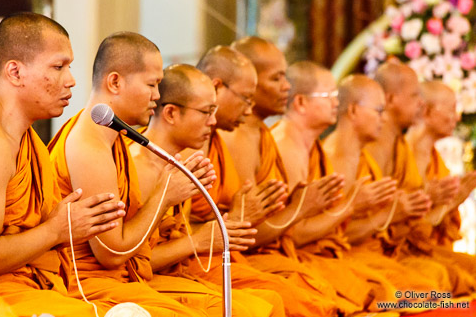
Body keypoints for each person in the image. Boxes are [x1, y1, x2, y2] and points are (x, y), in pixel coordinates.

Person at [0, 12, 125, 317]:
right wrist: (57, 229)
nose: (71, 80)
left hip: (28, 285)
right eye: (58, 67)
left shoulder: (27, 140)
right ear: (15, 72)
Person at [48, 31, 218, 316]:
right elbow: (110, 253)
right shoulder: (89, 147)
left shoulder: (113, 141)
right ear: (115, 82)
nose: (158, 96)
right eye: (152, 84)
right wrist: (165, 195)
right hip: (90, 287)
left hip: (124, 281)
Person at [190, 45, 339, 316]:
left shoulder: (225, 138)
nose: (287, 86)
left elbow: (238, 226)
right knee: (297, 298)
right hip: (197, 264)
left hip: (225, 258)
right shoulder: (209, 142)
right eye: (277, 78)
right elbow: (239, 232)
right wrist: (302, 209)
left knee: (318, 292)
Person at [130, 63, 286, 317]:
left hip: (178, 272)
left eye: (214, 111)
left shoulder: (181, 163)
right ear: (170, 113)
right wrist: (198, 241)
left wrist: (228, 224)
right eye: (206, 112)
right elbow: (126, 261)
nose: (213, 122)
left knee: (269, 299)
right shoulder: (140, 166)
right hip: (143, 281)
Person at [269, 60, 404, 314]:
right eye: (328, 96)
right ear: (300, 103)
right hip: (293, 259)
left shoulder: (310, 147)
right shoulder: (287, 146)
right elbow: (293, 235)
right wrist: (352, 206)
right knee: (381, 295)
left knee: (401, 290)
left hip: (319, 256)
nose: (336, 102)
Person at [323, 74, 443, 292]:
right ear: (353, 111)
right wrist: (389, 214)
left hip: (372, 253)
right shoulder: (333, 157)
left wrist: (437, 204)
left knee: (433, 282)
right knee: (421, 289)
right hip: (337, 260)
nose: (383, 118)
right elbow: (331, 237)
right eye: (379, 111)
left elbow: (392, 227)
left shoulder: (362, 157)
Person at [366, 61, 463, 294]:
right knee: (431, 285)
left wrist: (447, 201)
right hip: (368, 252)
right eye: (414, 96)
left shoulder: (399, 147)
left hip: (396, 249)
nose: (456, 117)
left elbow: (412, 223)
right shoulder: (372, 147)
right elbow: (351, 227)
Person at [405, 81, 476, 292]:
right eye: (452, 109)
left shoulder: (435, 159)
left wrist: (452, 201)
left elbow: (433, 226)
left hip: (426, 252)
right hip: (400, 254)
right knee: (440, 280)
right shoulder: (406, 154)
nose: (457, 117)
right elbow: (406, 231)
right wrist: (449, 202)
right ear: (426, 111)